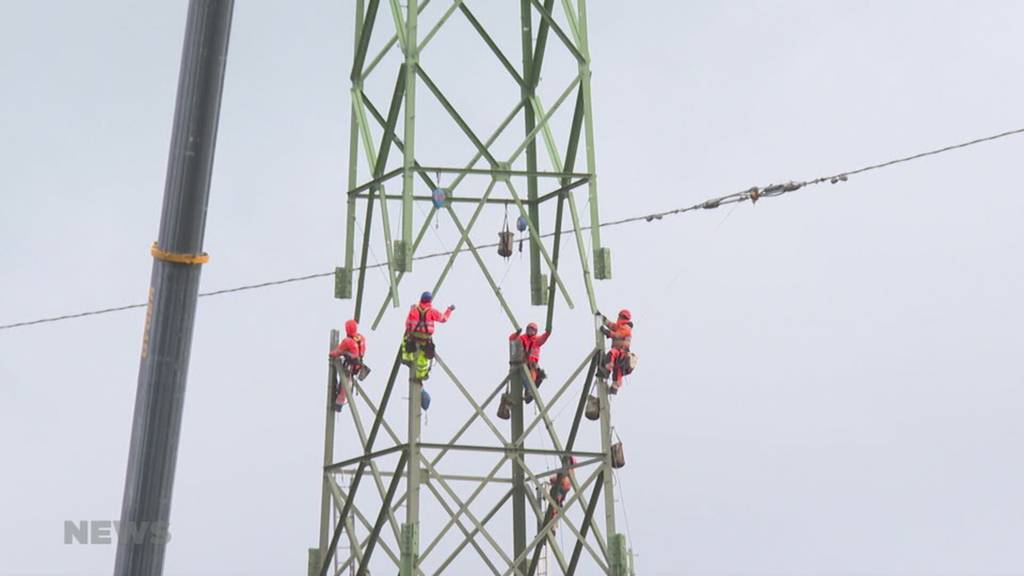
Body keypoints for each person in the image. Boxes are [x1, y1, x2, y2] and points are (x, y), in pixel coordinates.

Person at [402, 291, 454, 381]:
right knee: (423, 358)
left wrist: (410, 332)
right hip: (425, 339)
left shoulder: (414, 310)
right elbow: (443, 319)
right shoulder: (432, 311)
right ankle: (420, 375)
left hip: (414, 336)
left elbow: (407, 323)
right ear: (430, 301)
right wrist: (449, 310)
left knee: (406, 341)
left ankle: (406, 357)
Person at [328, 319, 367, 411]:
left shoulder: (347, 341)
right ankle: (338, 403)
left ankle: (338, 405)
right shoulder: (361, 338)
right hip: (359, 365)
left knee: (344, 387)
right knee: (347, 384)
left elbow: (337, 352)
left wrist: (331, 354)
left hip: (351, 366)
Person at [509, 322, 550, 403]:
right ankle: (529, 391)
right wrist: (517, 333)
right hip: (523, 363)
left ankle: (530, 392)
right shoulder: (521, 338)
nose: (530, 331)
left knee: (539, 377)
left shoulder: (537, 340)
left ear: (535, 332)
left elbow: (544, 337)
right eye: (529, 329)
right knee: (527, 378)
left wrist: (548, 331)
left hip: (533, 364)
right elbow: (511, 339)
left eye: (532, 330)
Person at [598, 309, 633, 394]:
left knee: (611, 354)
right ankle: (614, 388)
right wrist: (603, 319)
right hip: (621, 354)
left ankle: (606, 371)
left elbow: (618, 334)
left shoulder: (626, 328)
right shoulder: (620, 326)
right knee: (618, 370)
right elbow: (611, 325)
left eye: (619, 316)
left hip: (621, 353)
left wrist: (607, 333)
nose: (618, 318)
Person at [546, 456, 576, 530]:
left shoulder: (568, 473)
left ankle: (553, 524)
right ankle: (553, 523)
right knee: (556, 504)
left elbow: (553, 479)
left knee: (555, 504)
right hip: (562, 490)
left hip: (561, 489)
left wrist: (554, 478)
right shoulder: (570, 473)